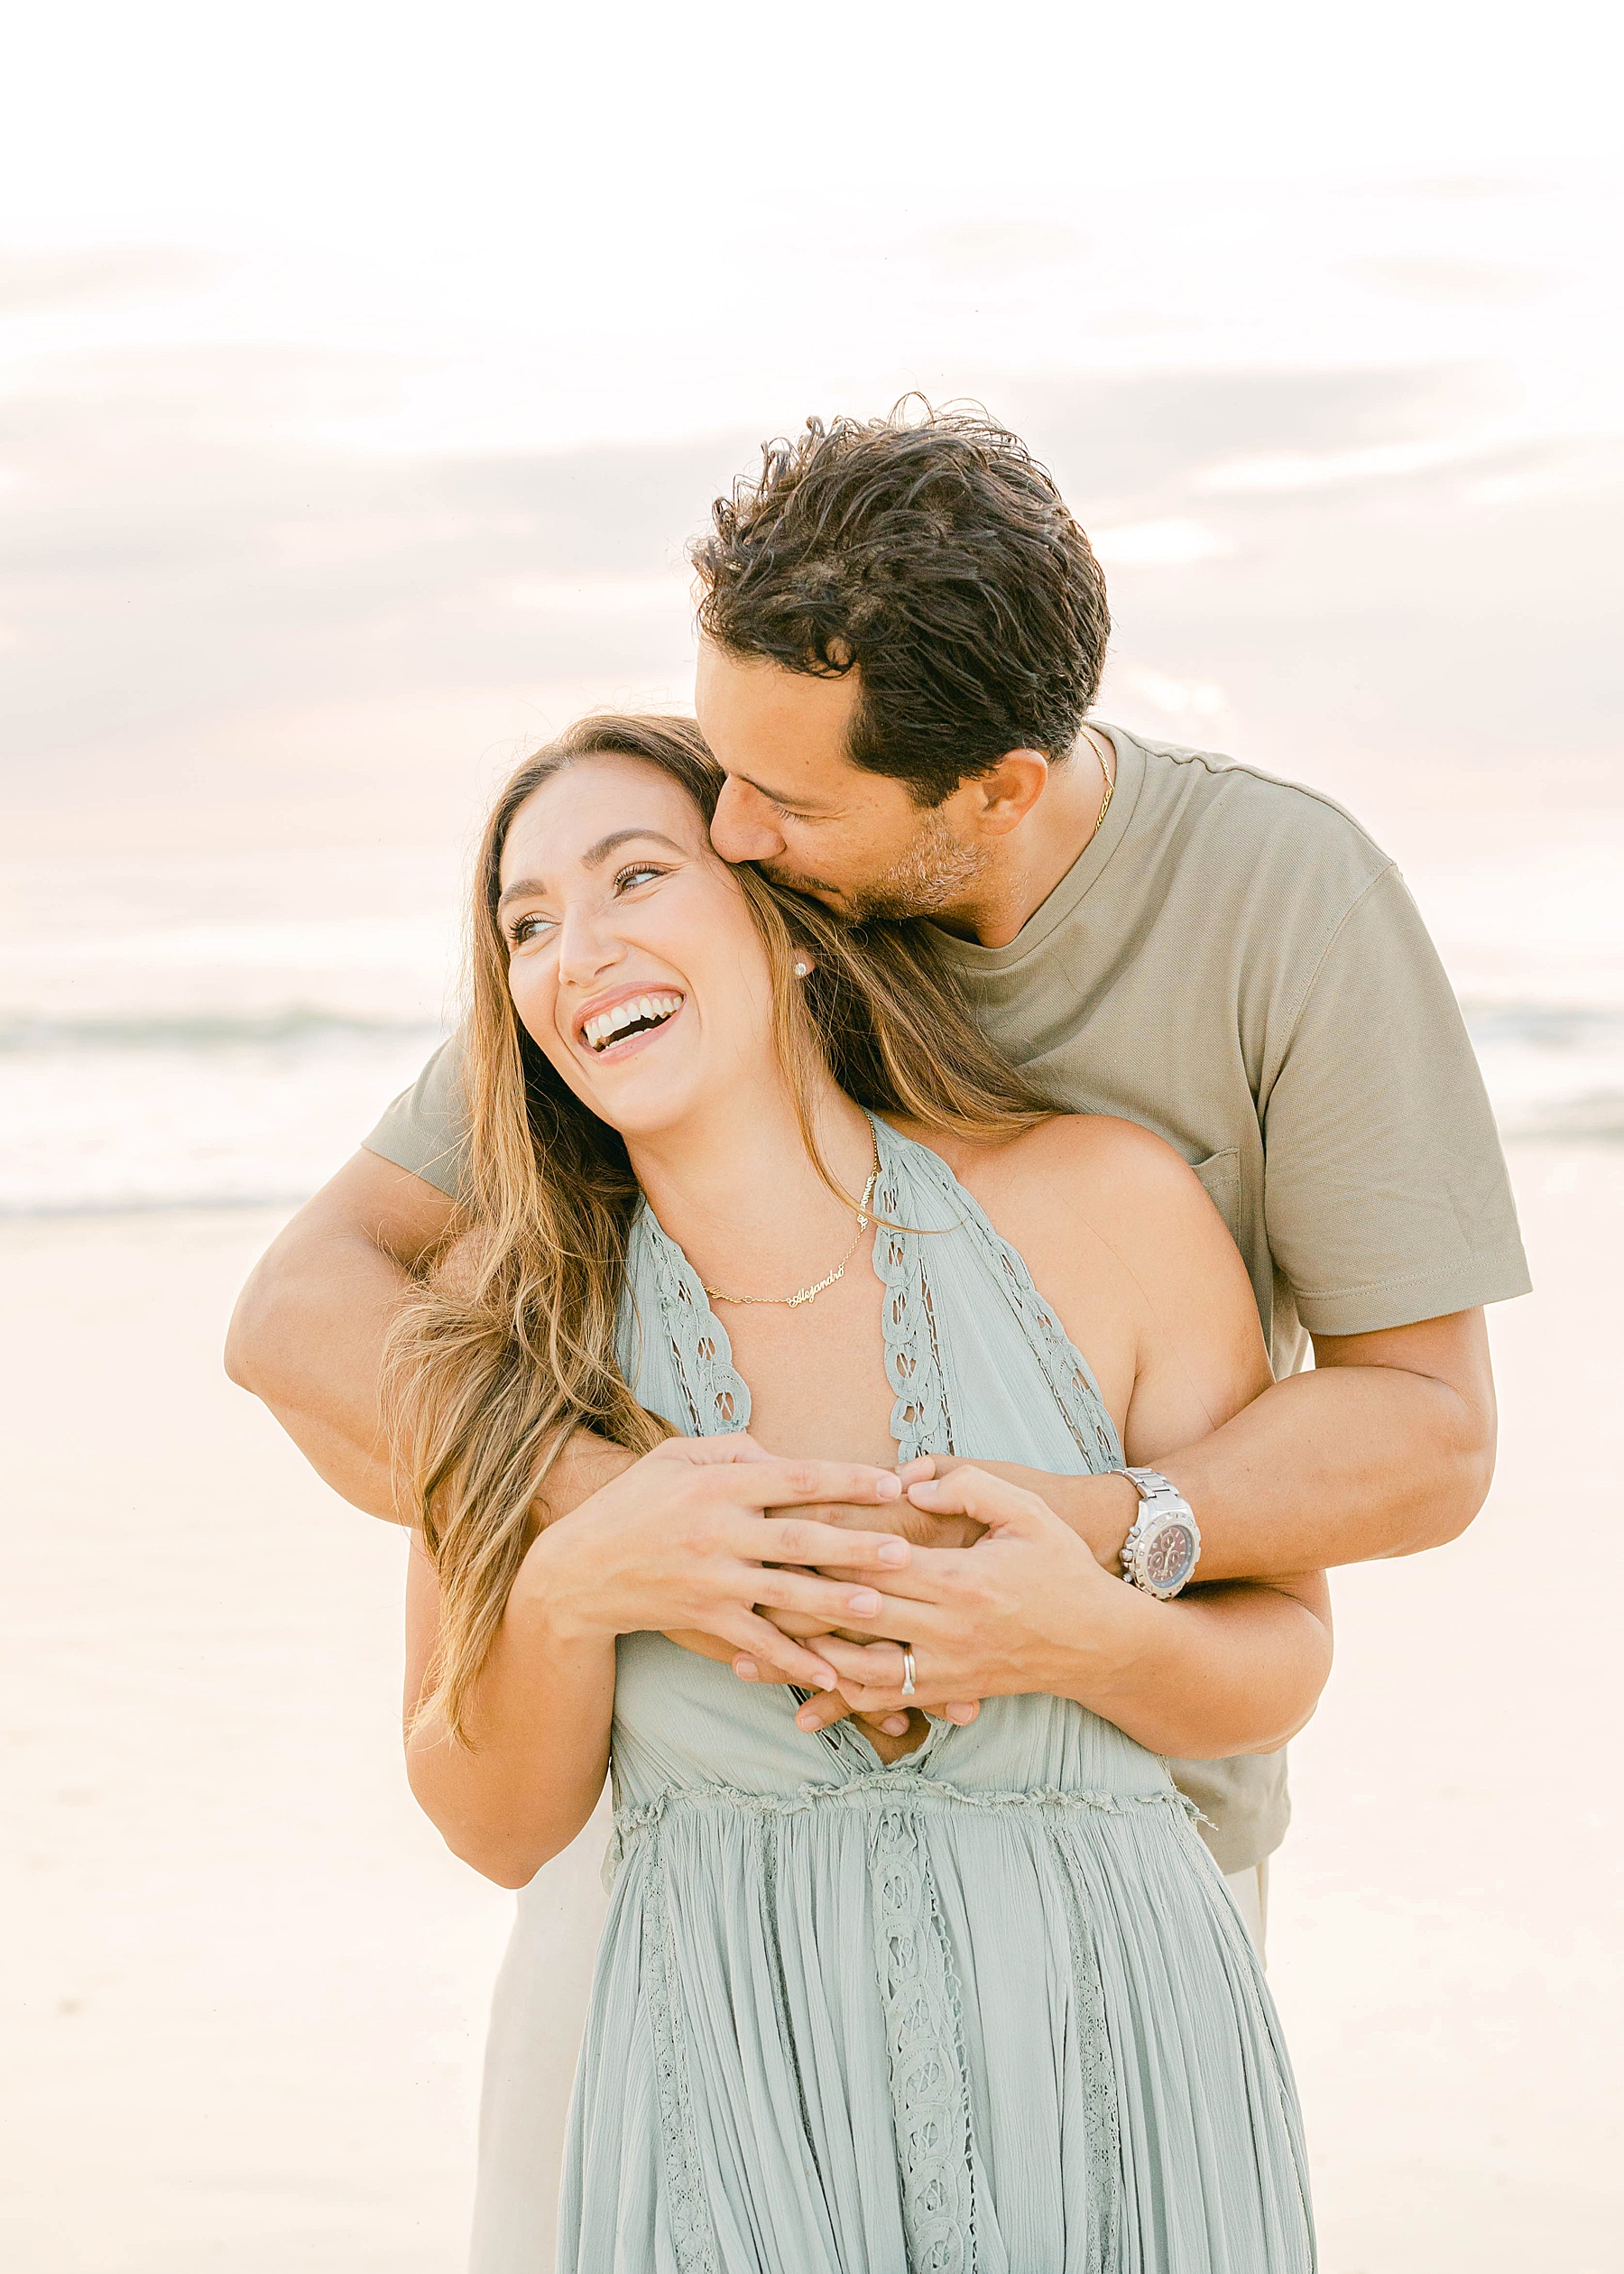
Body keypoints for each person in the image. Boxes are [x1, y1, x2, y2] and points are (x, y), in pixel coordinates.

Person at [225, 404, 1527, 2251]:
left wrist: (1086, 1556)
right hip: (690, 1901)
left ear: (992, 790)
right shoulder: (634, 970)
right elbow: (301, 1310)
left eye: (777, 816)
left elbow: (1428, 1438)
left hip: (1123, 1849)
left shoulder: (1265, 927)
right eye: (718, 788)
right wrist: (619, 1522)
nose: (733, 828)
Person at [391, 711, 1327, 2269]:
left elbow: (1283, 1662)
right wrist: (573, 1592)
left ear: (787, 922)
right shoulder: (509, 1317)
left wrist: (1075, 1640)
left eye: (637, 878)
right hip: (735, 2087)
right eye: (528, 926)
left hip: (1112, 2048)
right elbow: (491, 1826)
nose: (580, 950)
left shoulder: (1107, 1207)